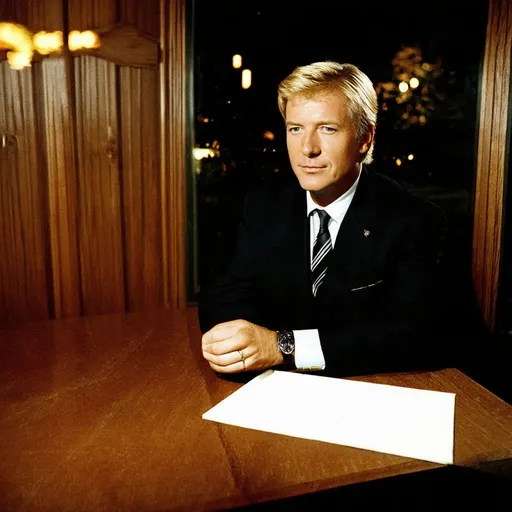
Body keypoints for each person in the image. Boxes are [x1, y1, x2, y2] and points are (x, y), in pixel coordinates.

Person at [198, 60, 450, 378]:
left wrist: (284, 346)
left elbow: (420, 336)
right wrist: (234, 343)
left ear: (364, 139)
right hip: (271, 392)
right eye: (295, 129)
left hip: (373, 390)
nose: (307, 148)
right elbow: (225, 293)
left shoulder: (414, 219)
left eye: (327, 129)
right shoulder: (262, 205)